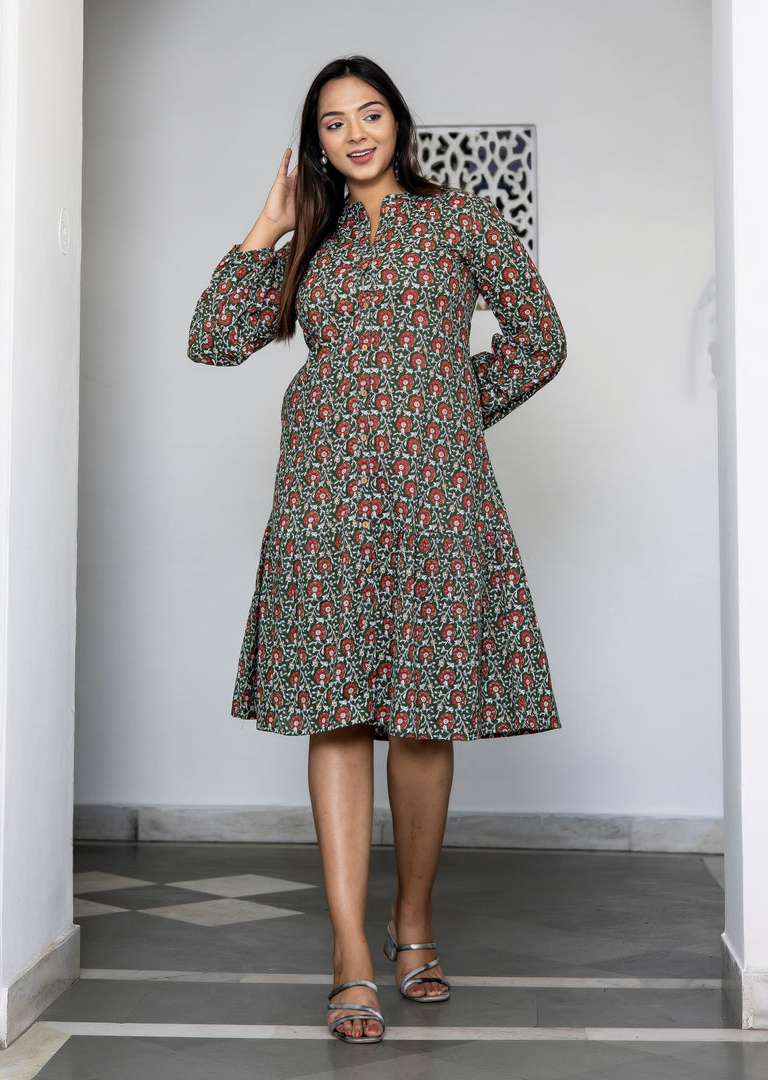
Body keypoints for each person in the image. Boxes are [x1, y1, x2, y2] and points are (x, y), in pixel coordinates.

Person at [187, 55, 567, 1044]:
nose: (354, 134)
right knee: (337, 712)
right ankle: (350, 952)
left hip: (437, 496)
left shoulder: (463, 221)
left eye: (370, 114)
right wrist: (264, 229)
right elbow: (213, 341)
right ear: (315, 141)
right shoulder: (310, 239)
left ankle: (412, 926)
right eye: (331, 123)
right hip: (324, 499)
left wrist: (442, 410)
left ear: (399, 120)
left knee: (425, 719)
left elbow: (540, 340)